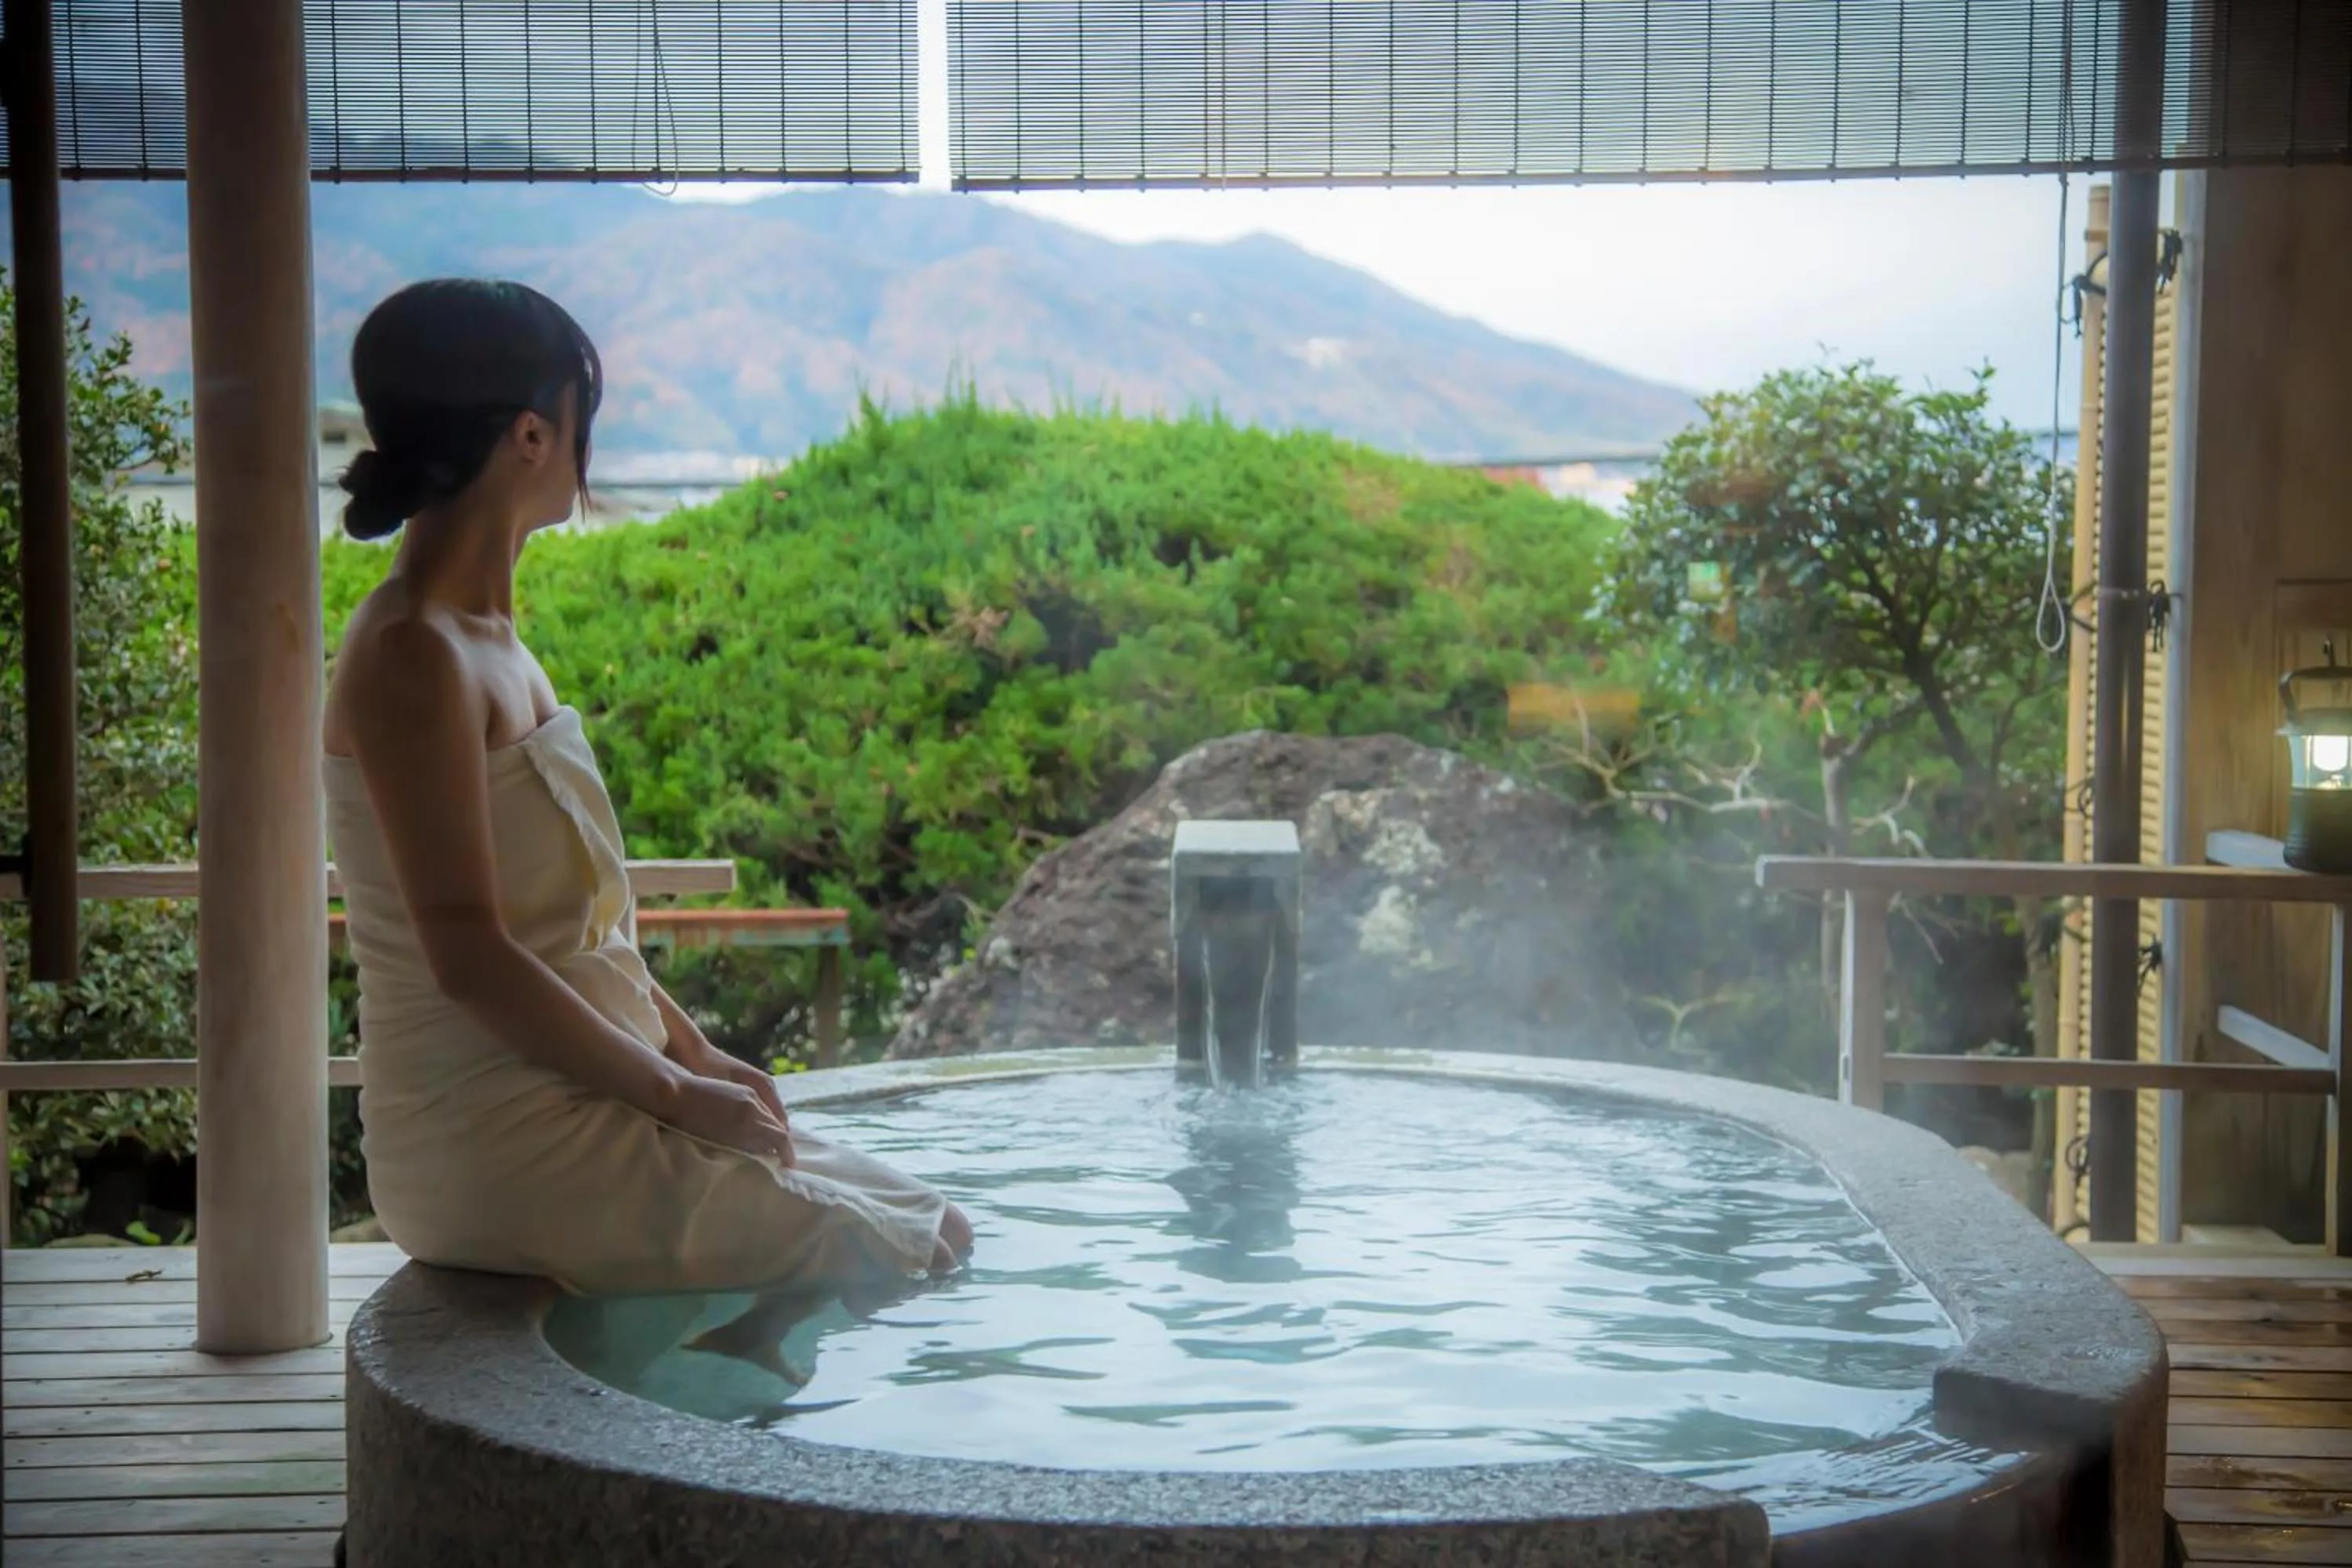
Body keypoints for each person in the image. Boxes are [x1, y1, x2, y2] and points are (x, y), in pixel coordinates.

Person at [322, 279, 971, 1297]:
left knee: (938, 1230)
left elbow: (577, 936)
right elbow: (471, 957)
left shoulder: (491, 646)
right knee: (901, 1262)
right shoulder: (413, 654)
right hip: (496, 1137)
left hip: (589, 1096)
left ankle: (729, 1417)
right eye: (584, 418)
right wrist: (673, 1093)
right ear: (534, 436)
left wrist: (701, 1057)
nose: (590, 448)